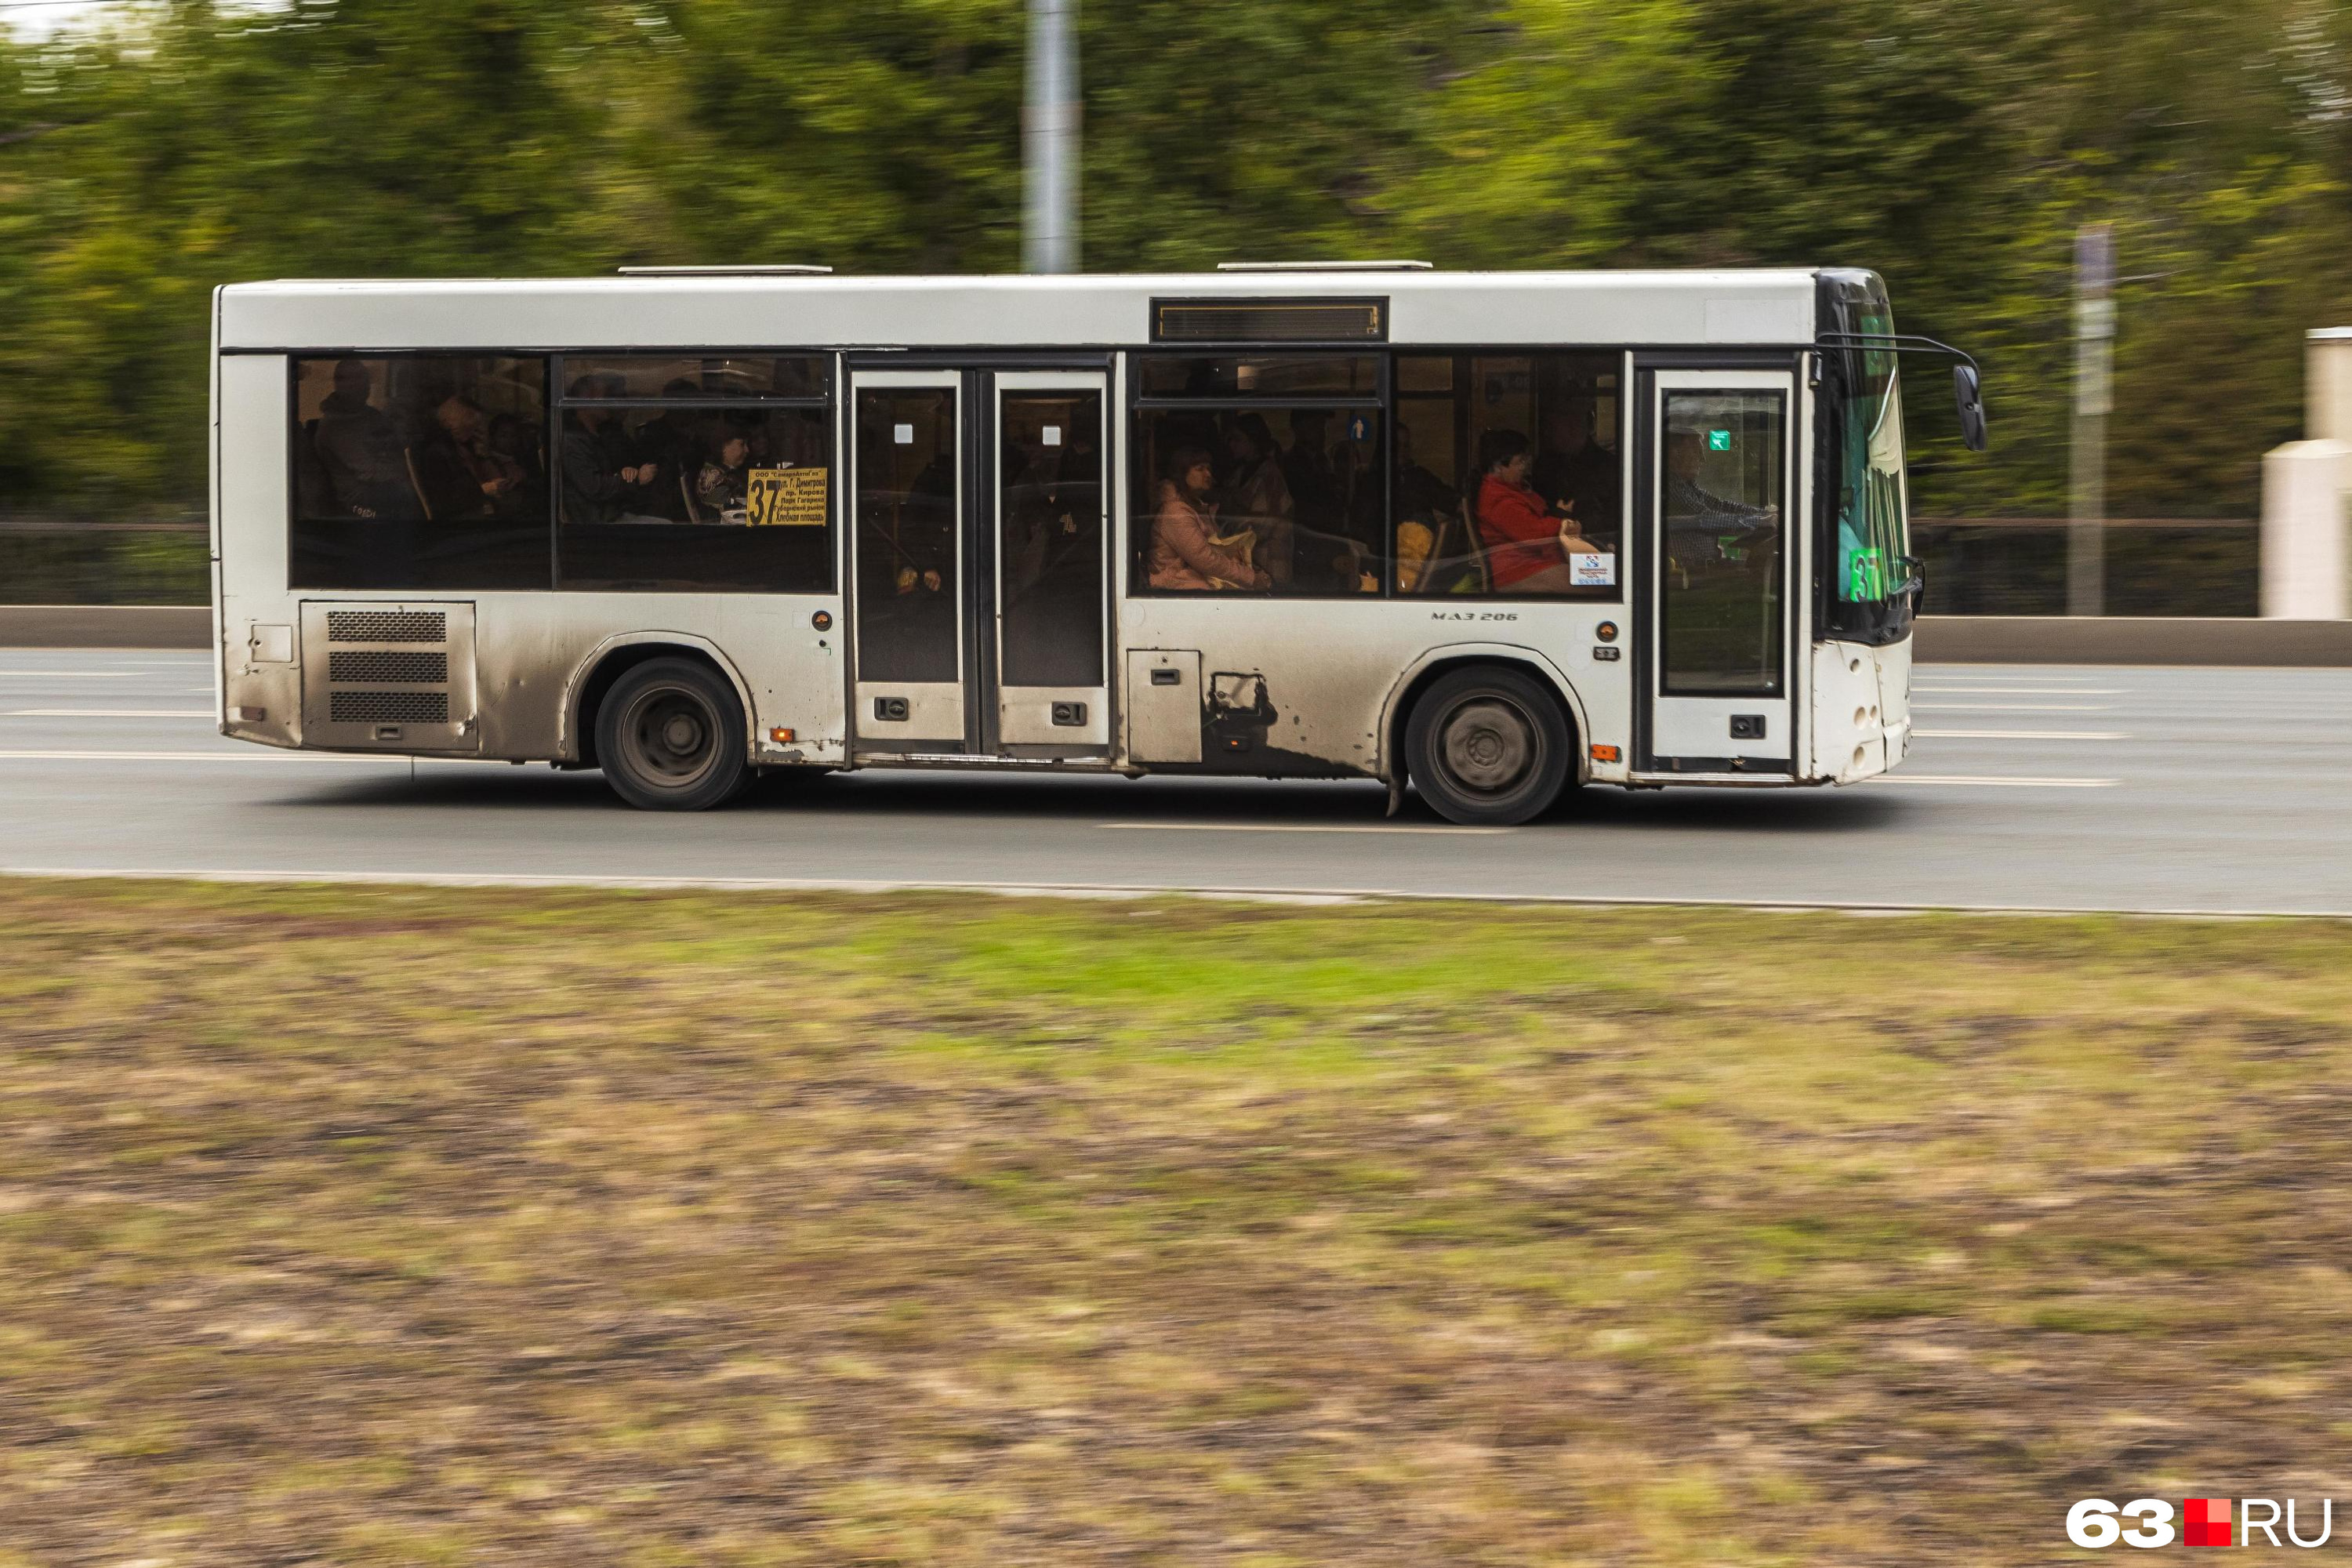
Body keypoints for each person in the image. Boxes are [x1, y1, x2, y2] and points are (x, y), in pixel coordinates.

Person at [1475, 428, 1595, 593]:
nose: (1524, 467)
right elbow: (1535, 536)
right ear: (1499, 466)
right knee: (1594, 585)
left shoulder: (1513, 488)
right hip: (1518, 569)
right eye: (1519, 462)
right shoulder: (1498, 499)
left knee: (1599, 576)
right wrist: (1560, 515)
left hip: (1536, 560)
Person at [1148, 448, 1269, 591]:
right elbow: (1204, 559)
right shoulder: (1175, 513)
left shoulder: (1197, 507)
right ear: (1182, 474)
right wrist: (1250, 578)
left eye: (1209, 469)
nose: (1208, 474)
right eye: (1200, 469)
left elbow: (1214, 550)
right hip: (1180, 588)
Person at [313, 358, 413, 519]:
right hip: (359, 503)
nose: (364, 385)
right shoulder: (334, 426)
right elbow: (370, 472)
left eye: (364, 379)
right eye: (354, 380)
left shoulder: (373, 415)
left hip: (386, 487)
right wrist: (408, 471)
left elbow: (400, 446)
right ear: (339, 385)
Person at [561, 376, 663, 524]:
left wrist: (627, 471)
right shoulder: (572, 441)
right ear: (586, 401)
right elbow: (594, 487)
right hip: (598, 522)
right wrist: (636, 480)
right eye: (605, 397)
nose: (611, 402)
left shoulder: (600, 434)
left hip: (614, 512)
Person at [413, 394, 526, 521]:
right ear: (456, 424)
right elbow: (444, 501)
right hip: (462, 521)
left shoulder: (464, 447)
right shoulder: (437, 453)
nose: (474, 432)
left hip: (480, 510)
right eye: (471, 427)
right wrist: (484, 490)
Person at [1221, 414, 1294, 587]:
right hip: (1250, 565)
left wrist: (1226, 534)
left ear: (1253, 441)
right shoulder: (1241, 472)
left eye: (1238, 439)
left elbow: (1260, 526)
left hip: (1270, 565)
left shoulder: (1270, 476)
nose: (1232, 445)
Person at [696, 427, 757, 517]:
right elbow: (730, 513)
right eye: (742, 444)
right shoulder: (713, 476)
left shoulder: (729, 473)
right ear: (724, 447)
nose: (747, 450)